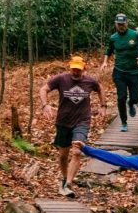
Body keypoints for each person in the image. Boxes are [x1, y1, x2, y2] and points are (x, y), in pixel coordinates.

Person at [38, 54, 101, 197]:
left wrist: (103, 105)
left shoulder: (90, 81)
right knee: (62, 156)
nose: (75, 72)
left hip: (82, 121)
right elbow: (43, 89)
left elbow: (100, 89)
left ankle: (68, 184)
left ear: (84, 68)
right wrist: (45, 105)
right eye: (73, 69)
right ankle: (64, 178)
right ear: (70, 67)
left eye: (78, 70)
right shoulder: (61, 79)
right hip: (63, 121)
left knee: (77, 151)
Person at [101, 13, 138, 130]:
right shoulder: (113, 38)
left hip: (134, 72)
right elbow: (108, 51)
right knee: (121, 97)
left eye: (123, 24)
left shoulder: (135, 35)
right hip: (119, 72)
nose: (121, 26)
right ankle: (124, 123)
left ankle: (131, 103)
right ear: (115, 24)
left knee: (134, 98)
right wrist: (105, 62)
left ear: (127, 23)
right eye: (119, 24)